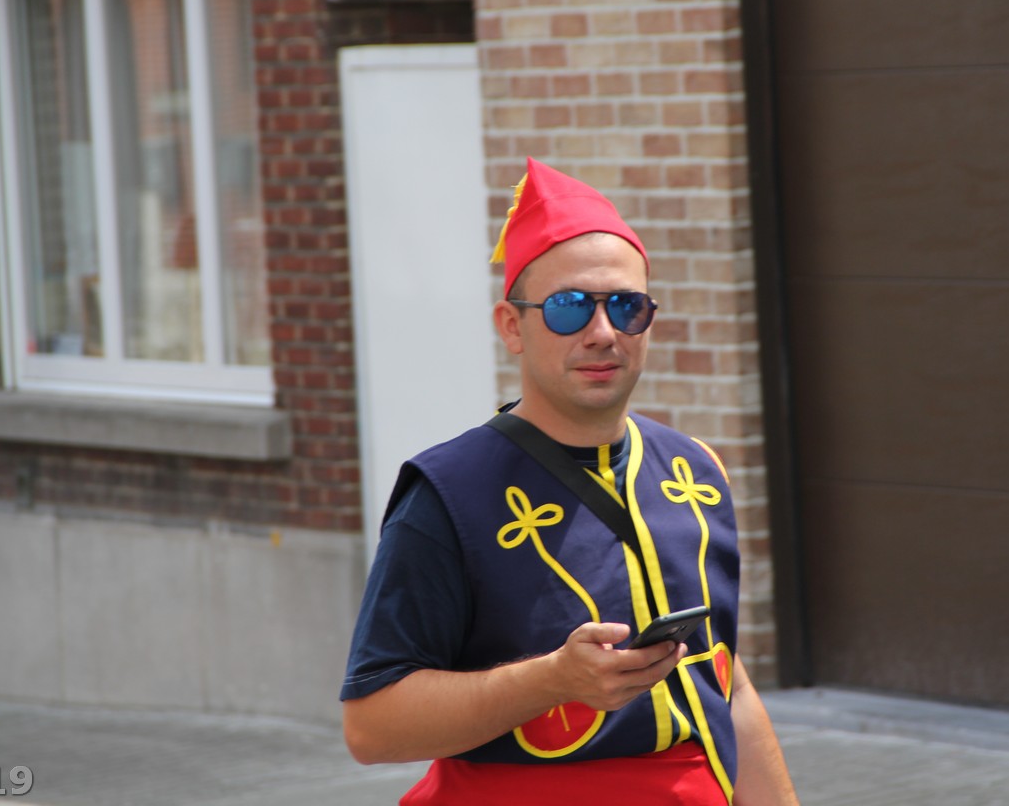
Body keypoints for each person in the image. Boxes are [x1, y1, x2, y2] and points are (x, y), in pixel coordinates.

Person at [340, 157, 800, 805]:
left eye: (627, 307)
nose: (603, 333)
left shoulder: (696, 471)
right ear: (512, 326)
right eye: (568, 308)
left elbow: (729, 688)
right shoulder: (447, 495)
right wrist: (552, 681)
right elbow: (371, 726)